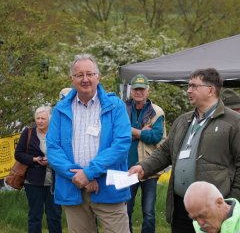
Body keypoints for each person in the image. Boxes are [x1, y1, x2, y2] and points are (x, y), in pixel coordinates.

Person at [129, 68, 240, 233]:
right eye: (188, 86)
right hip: (182, 206)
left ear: (210, 89)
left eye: (194, 86)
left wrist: (232, 200)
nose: (189, 90)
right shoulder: (183, 120)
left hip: (214, 209)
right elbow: (165, 151)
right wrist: (143, 167)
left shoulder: (233, 122)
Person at [47, 54, 132, 233]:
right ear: (72, 79)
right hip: (73, 187)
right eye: (79, 75)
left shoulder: (116, 106)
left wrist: (90, 172)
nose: (85, 79)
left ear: (98, 77)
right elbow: (53, 149)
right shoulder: (60, 110)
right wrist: (79, 177)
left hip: (109, 187)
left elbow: (121, 144)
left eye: (90, 74)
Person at [126, 74, 166, 233]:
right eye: (136, 89)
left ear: (148, 91)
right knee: (125, 209)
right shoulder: (122, 108)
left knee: (148, 212)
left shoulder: (157, 111)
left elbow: (156, 137)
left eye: (142, 89)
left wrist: (133, 131)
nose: (138, 92)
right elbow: (118, 133)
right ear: (131, 91)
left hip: (149, 168)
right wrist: (142, 132)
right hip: (127, 168)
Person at [15, 105, 62, 233]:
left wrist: (51, 160)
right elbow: (18, 154)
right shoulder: (28, 132)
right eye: (38, 118)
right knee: (35, 216)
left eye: (43, 118)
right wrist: (34, 159)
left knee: (55, 216)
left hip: (54, 181)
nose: (40, 121)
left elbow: (64, 153)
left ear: (49, 120)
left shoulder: (56, 133)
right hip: (33, 181)